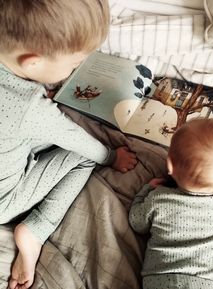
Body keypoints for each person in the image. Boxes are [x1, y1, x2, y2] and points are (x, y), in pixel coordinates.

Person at [0, 1, 138, 288]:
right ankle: (35, 231)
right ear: (33, 62)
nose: (78, 67)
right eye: (75, 63)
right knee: (86, 156)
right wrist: (112, 156)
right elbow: (75, 139)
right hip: (4, 200)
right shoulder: (28, 107)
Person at [129, 118, 213, 289]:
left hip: (164, 279)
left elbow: (137, 222)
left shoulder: (159, 199)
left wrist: (145, 190)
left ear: (169, 166)